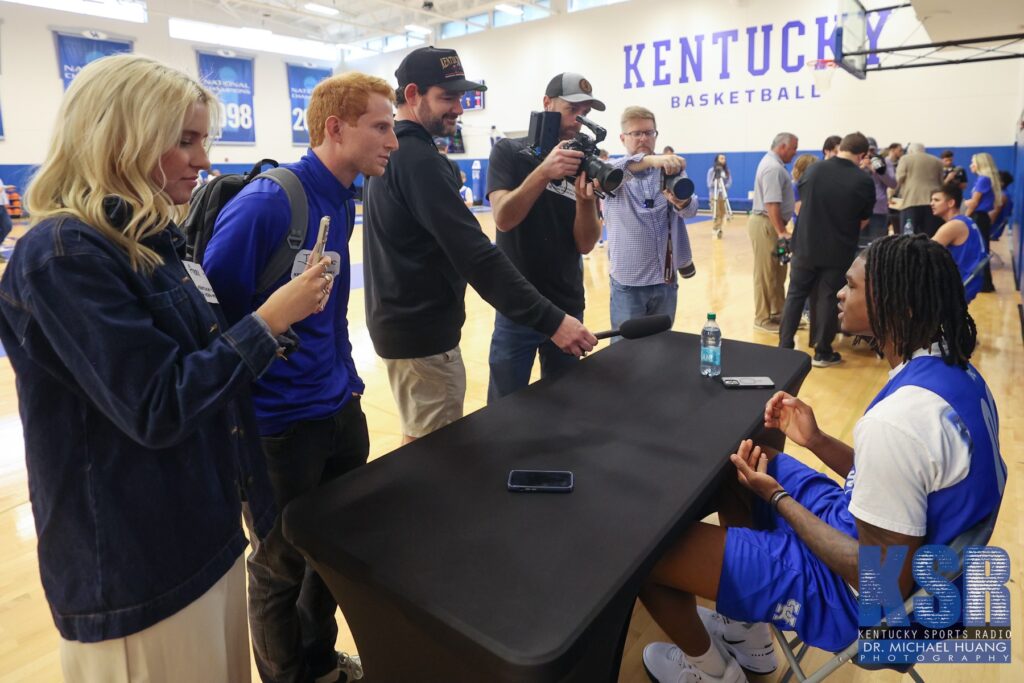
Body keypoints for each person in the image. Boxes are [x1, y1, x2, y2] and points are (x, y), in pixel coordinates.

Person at [0, 54, 330, 683]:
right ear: (118, 140)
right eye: (184, 141)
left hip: (203, 532)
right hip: (135, 564)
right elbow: (158, 406)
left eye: (203, 139)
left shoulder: (155, 242)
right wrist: (268, 322)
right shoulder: (63, 255)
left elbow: (200, 369)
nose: (204, 161)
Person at [640, 234, 1005, 683]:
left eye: (851, 287)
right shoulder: (958, 375)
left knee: (648, 555)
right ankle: (748, 636)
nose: (838, 292)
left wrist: (778, 500)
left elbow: (882, 579)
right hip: (909, 565)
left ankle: (713, 672)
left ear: (901, 306)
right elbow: (904, 486)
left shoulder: (900, 420)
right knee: (747, 463)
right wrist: (816, 440)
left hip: (874, 607)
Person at [203, 72, 397, 683]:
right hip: (276, 429)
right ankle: (289, 674)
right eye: (381, 126)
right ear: (335, 130)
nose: (394, 139)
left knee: (334, 554)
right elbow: (213, 314)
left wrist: (349, 383)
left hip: (337, 409)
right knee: (279, 566)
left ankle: (319, 660)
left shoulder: (343, 195)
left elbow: (330, 306)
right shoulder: (268, 201)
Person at [363, 47, 595, 443]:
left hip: (409, 328)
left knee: (421, 443)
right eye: (447, 98)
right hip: (423, 336)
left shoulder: (397, 153)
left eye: (460, 98)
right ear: (414, 94)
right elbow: (477, 254)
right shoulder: (419, 159)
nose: (458, 109)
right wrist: (551, 320)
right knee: (437, 454)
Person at [485, 71, 605, 402]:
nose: (578, 119)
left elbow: (584, 243)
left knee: (564, 410)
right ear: (547, 103)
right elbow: (503, 218)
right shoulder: (509, 152)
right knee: (504, 412)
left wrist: (585, 201)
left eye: (585, 113)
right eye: (572, 109)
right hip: (518, 307)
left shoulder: (584, 164)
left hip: (566, 305)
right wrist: (544, 172)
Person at [778, 132, 875, 367]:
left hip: (805, 245)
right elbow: (863, 221)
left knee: (795, 295)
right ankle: (822, 352)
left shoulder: (813, 170)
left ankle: (784, 348)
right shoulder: (863, 180)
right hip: (837, 248)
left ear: (841, 147)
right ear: (863, 155)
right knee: (828, 298)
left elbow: (800, 204)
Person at [603, 105, 698, 336]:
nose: (644, 138)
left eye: (649, 132)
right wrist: (652, 161)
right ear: (623, 137)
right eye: (637, 133)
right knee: (625, 353)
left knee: (662, 347)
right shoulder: (611, 170)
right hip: (629, 282)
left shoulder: (670, 171)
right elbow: (616, 170)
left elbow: (692, 209)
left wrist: (681, 202)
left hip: (665, 278)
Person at [748, 132, 799, 333]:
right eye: (794, 148)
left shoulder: (775, 165)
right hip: (766, 224)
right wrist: (781, 231)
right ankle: (762, 318)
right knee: (765, 273)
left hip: (771, 223)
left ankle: (778, 312)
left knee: (778, 272)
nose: (795, 153)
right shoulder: (772, 168)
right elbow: (771, 203)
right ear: (783, 147)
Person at [930, 184, 986, 304]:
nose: (932, 204)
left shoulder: (953, 226)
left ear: (951, 203)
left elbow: (924, 252)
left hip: (961, 283)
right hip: (972, 280)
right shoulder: (967, 220)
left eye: (936, 200)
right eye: (931, 200)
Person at [962, 152, 1002, 293]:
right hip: (981, 217)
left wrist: (964, 216)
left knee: (979, 250)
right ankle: (985, 284)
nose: (970, 165)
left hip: (978, 217)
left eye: (972, 162)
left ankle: (985, 284)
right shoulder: (984, 179)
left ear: (980, 164)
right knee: (981, 249)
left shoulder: (983, 179)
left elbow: (974, 202)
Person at [896, 142, 944, 236]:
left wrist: (891, 194)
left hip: (911, 202)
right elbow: (941, 182)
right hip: (932, 203)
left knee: (908, 236)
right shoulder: (937, 161)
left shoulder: (905, 159)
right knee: (931, 236)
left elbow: (899, 179)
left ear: (910, 151)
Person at [859, 136, 896, 246]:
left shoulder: (884, 162)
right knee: (860, 245)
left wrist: (873, 168)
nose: (869, 154)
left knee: (877, 245)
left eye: (872, 150)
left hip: (878, 210)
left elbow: (892, 183)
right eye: (866, 150)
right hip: (859, 210)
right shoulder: (857, 162)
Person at [706, 154, 731, 238]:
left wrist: (725, 186)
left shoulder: (726, 171)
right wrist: (717, 183)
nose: (723, 160)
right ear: (717, 160)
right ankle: (716, 229)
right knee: (716, 213)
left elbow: (729, 181)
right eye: (721, 158)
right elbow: (709, 184)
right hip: (714, 195)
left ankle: (719, 228)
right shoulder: (711, 171)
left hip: (722, 195)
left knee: (722, 212)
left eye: (724, 158)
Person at [991, 170, 1014, 240]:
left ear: (1002, 183)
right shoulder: (1006, 194)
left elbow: (994, 214)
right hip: (995, 231)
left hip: (992, 232)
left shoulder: (1002, 196)